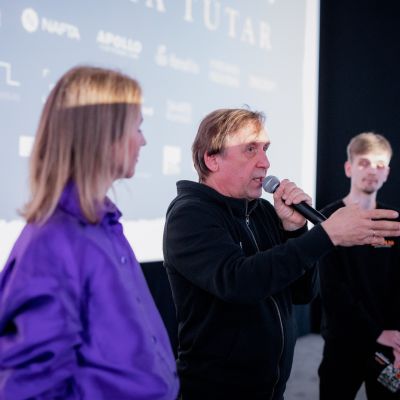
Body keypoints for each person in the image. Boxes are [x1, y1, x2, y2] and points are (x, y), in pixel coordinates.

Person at [162, 109, 400, 400]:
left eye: (265, 149)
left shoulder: (262, 211)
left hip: (272, 389)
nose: (265, 162)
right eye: (250, 149)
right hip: (216, 390)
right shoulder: (190, 215)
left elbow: (302, 292)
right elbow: (239, 282)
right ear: (212, 159)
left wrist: (294, 230)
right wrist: (325, 235)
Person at [0, 66, 179, 399]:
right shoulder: (54, 242)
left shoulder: (104, 226)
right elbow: (29, 388)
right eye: (137, 128)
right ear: (104, 135)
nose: (143, 140)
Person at [317, 132, 400, 400]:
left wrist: (396, 336)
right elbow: (332, 289)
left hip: (389, 344)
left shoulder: (393, 221)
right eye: (364, 163)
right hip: (343, 342)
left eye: (379, 164)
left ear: (387, 173)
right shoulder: (328, 218)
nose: (372, 171)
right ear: (349, 168)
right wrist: (376, 332)